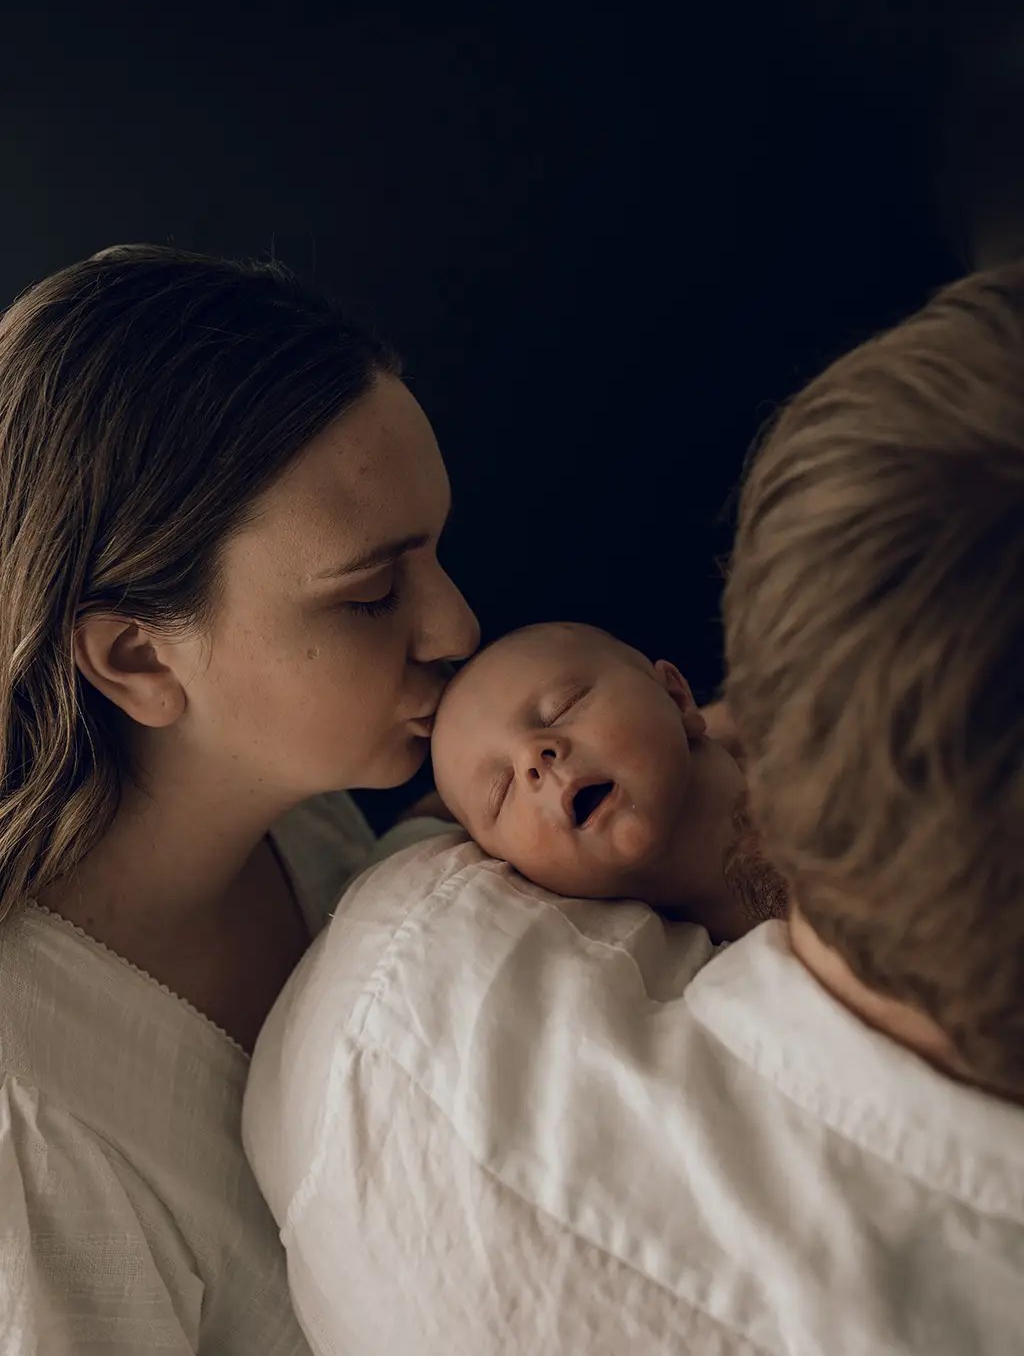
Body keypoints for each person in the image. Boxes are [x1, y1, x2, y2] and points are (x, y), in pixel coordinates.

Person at [244, 263, 1024, 1355]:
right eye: (499, 787)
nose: (542, 756)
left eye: (560, 711)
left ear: (685, 692)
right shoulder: (425, 991)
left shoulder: (392, 1033)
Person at [0, 244, 479, 1354]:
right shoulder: (29, 1127)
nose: (457, 629)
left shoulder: (306, 812)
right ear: (136, 658)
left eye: (438, 553)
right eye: (370, 597)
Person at [429, 619, 786, 939]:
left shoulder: (812, 766)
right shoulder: (657, 984)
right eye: (501, 789)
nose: (531, 758)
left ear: (676, 697)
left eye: (562, 708)